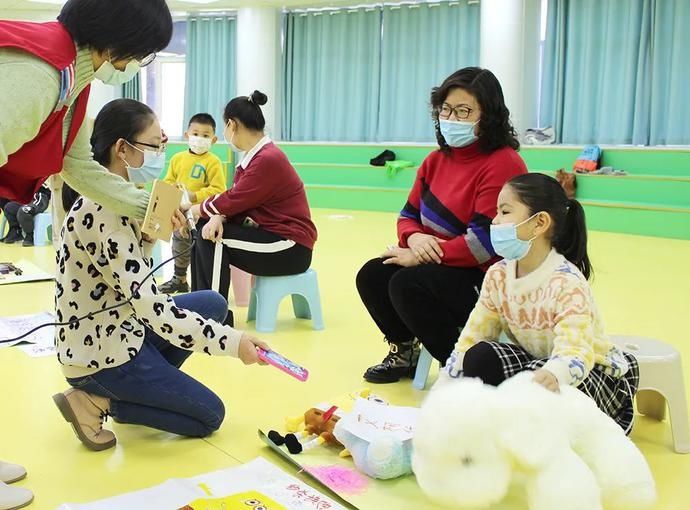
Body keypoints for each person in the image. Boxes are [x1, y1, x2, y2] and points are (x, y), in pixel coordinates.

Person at [51, 99, 270, 452]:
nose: (159, 154)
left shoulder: (117, 198)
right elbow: (154, 309)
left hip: (119, 328)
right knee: (209, 415)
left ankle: (143, 387)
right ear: (122, 149)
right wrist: (233, 343)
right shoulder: (105, 210)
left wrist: (149, 238)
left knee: (212, 303)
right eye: (153, 145)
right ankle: (99, 400)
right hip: (101, 355)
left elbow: (131, 284)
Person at [356, 67, 527, 384]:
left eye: (464, 111)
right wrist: (415, 238)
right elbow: (407, 215)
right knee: (374, 274)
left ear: (487, 115)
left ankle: (460, 367)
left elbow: (483, 243)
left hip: (485, 277)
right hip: (440, 263)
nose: (452, 118)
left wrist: (418, 255)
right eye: (446, 109)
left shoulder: (502, 162)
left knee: (406, 284)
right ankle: (405, 352)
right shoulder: (435, 161)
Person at [439, 173, 639, 433]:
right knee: (481, 356)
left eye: (505, 211)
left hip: (588, 374)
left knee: (531, 385)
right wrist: (443, 392)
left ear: (539, 222)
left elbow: (575, 353)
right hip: (538, 367)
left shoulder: (567, 283)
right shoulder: (498, 275)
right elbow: (472, 338)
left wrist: (554, 373)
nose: (495, 220)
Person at [0, 0, 173, 221]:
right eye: (139, 55)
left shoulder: (73, 78)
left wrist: (154, 209)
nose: (135, 64)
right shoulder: (43, 75)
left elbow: (78, 165)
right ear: (116, 41)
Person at [189, 91, 317, 307]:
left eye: (225, 126)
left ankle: (214, 317)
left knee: (214, 238)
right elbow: (240, 202)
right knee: (205, 230)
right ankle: (198, 307)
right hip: (274, 238)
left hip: (291, 247)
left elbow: (235, 198)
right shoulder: (256, 157)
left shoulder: (267, 159)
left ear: (232, 124)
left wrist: (197, 209)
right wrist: (216, 217)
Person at [158, 114, 226, 294]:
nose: (200, 139)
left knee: (198, 248)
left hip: (201, 214)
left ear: (214, 139)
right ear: (187, 135)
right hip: (180, 213)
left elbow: (218, 189)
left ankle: (201, 284)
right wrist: (173, 190)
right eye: (196, 134)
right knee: (179, 244)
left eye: (205, 135)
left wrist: (194, 195)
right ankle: (179, 280)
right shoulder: (177, 159)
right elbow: (168, 180)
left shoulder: (213, 162)